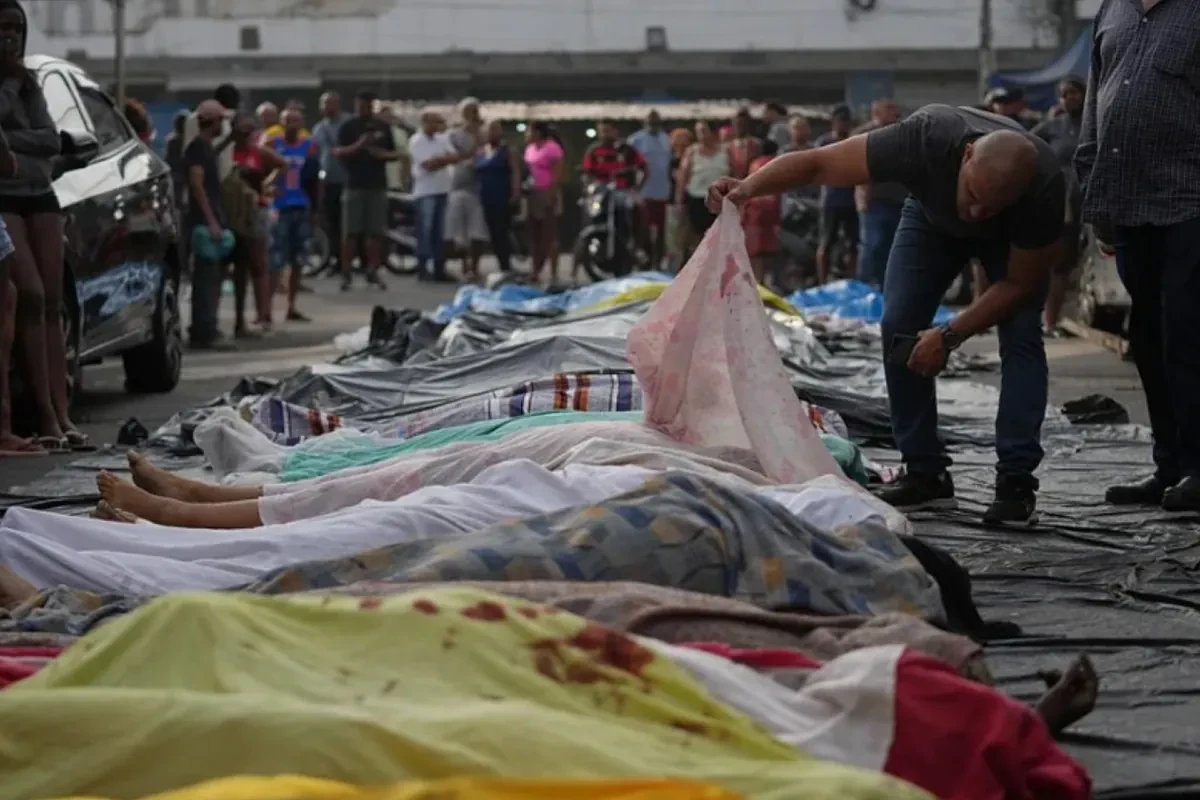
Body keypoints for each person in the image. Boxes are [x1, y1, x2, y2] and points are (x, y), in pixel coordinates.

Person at [708, 103, 1066, 525]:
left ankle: (1016, 482)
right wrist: (748, 187)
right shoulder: (924, 139)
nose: (976, 213)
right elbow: (819, 166)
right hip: (931, 221)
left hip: (1007, 244)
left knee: (1022, 335)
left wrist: (949, 335)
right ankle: (924, 468)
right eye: (972, 196)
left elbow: (1019, 286)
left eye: (992, 207)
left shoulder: (1042, 184)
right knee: (899, 325)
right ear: (966, 156)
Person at [1076, 0, 1200, 512]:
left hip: (1190, 199)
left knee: (1187, 335)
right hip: (1128, 203)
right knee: (1146, 339)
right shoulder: (1114, 10)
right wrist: (1091, 177)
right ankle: (1168, 466)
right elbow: (1093, 101)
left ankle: (1197, 468)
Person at [0, 0, 87, 452]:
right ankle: (45, 415)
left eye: (16, 27)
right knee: (29, 295)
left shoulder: (30, 79)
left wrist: (19, 143)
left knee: (51, 302)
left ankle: (62, 412)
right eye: (2, 27)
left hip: (41, 195)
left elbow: (52, 139)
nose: (10, 36)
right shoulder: (11, 82)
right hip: (6, 197)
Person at [1032, 76, 1085, 337]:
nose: (1069, 99)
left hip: (1091, 200)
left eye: (1074, 93)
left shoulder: (1095, 124)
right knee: (1058, 263)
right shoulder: (1053, 127)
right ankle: (1049, 321)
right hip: (1061, 203)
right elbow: (1026, 145)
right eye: (1064, 94)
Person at [333, 89, 398, 290]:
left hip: (377, 185)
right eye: (361, 104)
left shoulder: (383, 126)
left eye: (369, 105)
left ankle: (373, 270)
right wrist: (359, 145)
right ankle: (346, 272)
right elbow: (337, 152)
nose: (365, 108)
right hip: (353, 184)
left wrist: (380, 154)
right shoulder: (347, 127)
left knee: (375, 232)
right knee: (351, 233)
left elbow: (394, 153)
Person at [184, 99, 235, 352]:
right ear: (211, 121)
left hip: (211, 219)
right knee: (205, 279)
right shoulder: (196, 149)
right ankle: (203, 330)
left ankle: (208, 327)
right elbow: (196, 185)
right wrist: (211, 220)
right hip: (203, 223)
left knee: (212, 279)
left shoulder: (206, 148)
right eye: (220, 121)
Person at [229, 114, 286, 335]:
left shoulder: (257, 152)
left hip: (256, 212)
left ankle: (263, 316)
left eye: (249, 131)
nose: (246, 135)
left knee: (259, 265)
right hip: (233, 214)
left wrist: (266, 185)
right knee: (239, 269)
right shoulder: (228, 152)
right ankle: (240, 319)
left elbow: (282, 164)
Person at [266, 108, 319, 322]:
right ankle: (266, 309)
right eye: (289, 121)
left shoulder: (309, 147)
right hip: (279, 207)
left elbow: (316, 180)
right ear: (282, 123)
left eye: (297, 122)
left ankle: (291, 306)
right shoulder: (273, 145)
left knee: (298, 260)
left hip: (301, 205)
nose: (293, 126)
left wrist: (317, 208)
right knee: (275, 259)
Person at [854, 99, 907, 287]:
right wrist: (863, 193)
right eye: (890, 109)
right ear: (877, 112)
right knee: (871, 245)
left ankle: (887, 287)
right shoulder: (863, 135)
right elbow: (854, 167)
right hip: (873, 200)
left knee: (892, 246)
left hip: (897, 199)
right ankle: (864, 287)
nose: (896, 113)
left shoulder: (902, 133)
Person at [407, 110, 457, 283]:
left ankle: (439, 269)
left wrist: (440, 160)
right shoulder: (417, 140)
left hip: (442, 189)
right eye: (434, 122)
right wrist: (443, 160)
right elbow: (428, 165)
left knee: (439, 232)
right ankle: (422, 269)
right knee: (425, 231)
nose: (437, 126)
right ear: (425, 123)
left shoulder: (442, 139)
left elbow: (454, 157)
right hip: (425, 192)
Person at [814, 104, 859, 285]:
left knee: (853, 244)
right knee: (826, 243)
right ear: (833, 122)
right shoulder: (823, 143)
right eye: (840, 121)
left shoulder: (854, 142)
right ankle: (822, 282)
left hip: (851, 201)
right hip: (830, 200)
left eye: (846, 121)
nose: (843, 125)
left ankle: (851, 281)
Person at [446, 98, 490, 282]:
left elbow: (486, 152)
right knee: (461, 232)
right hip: (457, 185)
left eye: (475, 110)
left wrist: (478, 135)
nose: (472, 114)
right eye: (469, 111)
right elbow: (456, 155)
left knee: (477, 231)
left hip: (477, 188)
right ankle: (465, 266)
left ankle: (475, 266)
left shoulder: (483, 133)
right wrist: (471, 139)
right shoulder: (454, 134)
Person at [675, 120, 729, 257]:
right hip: (697, 199)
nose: (701, 135)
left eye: (704, 131)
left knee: (718, 237)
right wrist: (679, 201)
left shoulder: (725, 151)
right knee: (697, 238)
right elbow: (683, 178)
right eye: (698, 132)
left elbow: (734, 174)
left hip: (719, 199)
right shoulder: (692, 152)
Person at [311, 91, 349, 281]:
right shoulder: (318, 128)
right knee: (331, 223)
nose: (327, 107)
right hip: (328, 181)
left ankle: (348, 262)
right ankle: (335, 260)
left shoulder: (348, 124)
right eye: (324, 104)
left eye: (331, 103)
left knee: (347, 224)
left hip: (348, 180)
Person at [475, 120, 521, 274]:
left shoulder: (507, 150)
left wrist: (515, 193)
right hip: (484, 196)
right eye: (489, 130)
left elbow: (515, 172)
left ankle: (505, 265)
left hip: (501, 195)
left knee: (502, 231)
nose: (492, 133)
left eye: (495, 130)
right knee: (490, 233)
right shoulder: (480, 152)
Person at [629, 110, 673, 270]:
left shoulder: (666, 139)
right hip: (643, 192)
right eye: (650, 123)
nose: (653, 126)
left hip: (662, 192)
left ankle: (658, 263)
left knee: (661, 231)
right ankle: (643, 263)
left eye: (656, 123)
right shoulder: (636, 140)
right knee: (643, 230)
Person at [523, 121, 565, 285]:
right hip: (533, 193)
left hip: (548, 192)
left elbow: (558, 171)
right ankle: (536, 270)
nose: (526, 135)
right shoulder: (529, 150)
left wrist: (552, 192)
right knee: (535, 234)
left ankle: (554, 273)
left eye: (529, 132)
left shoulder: (552, 148)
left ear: (538, 132)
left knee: (550, 234)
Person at [740, 153, 780, 285]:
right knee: (764, 257)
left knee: (756, 258)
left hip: (755, 222)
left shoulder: (755, 166)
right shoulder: (774, 164)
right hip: (766, 223)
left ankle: (758, 285)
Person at [726, 108, 762, 179]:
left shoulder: (757, 145)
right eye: (737, 124)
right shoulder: (728, 147)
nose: (739, 127)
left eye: (742, 124)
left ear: (747, 125)